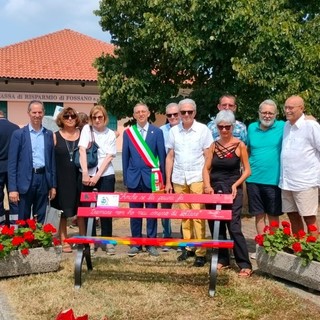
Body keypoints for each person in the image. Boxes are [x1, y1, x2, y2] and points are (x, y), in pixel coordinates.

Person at [203, 110, 252, 277]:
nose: (224, 130)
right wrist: (207, 185)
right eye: (220, 127)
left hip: (232, 190)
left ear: (232, 127)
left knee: (234, 226)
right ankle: (223, 259)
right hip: (215, 189)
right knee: (216, 225)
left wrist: (236, 184)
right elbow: (206, 168)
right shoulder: (213, 146)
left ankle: (244, 263)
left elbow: (247, 170)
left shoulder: (240, 145)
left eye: (227, 127)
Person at [165, 98, 213, 267]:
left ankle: (201, 252)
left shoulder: (203, 130)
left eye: (189, 112)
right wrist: (168, 181)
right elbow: (170, 157)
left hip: (197, 177)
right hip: (178, 178)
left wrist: (207, 180)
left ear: (195, 113)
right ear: (179, 114)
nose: (186, 115)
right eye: (182, 112)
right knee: (184, 216)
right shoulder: (173, 132)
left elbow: (208, 156)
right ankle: (188, 247)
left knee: (198, 215)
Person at [122, 102, 166, 257]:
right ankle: (136, 243)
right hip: (134, 178)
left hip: (151, 178)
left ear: (148, 114)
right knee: (135, 212)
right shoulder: (128, 133)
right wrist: (126, 179)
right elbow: (125, 158)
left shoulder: (157, 132)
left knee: (151, 211)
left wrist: (164, 180)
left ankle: (151, 243)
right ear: (134, 115)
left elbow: (162, 156)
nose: (140, 114)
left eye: (143, 111)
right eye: (137, 112)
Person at [8, 100, 56, 223]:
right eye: (34, 112)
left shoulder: (48, 134)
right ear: (28, 113)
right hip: (24, 181)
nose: (37, 115)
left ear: (44, 113)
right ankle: (23, 241)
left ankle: (38, 242)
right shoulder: (18, 134)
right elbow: (12, 164)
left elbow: (52, 161)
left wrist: (53, 185)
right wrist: (12, 188)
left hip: (43, 180)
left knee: (41, 216)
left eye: (40, 112)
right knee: (22, 218)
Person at [279, 95, 320, 238]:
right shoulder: (286, 126)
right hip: (287, 182)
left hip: (305, 182)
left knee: (309, 218)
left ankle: (314, 252)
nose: (287, 110)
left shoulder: (311, 126)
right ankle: (299, 248)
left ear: (301, 109)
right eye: (286, 107)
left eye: (291, 107)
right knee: (292, 215)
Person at [78, 105, 117, 254]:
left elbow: (109, 156)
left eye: (100, 117)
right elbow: (82, 150)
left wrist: (97, 176)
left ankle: (107, 241)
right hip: (87, 174)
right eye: (94, 117)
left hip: (106, 174)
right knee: (89, 210)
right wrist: (86, 174)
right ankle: (92, 241)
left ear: (105, 118)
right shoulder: (87, 130)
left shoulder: (110, 134)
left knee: (106, 210)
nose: (97, 120)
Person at [246, 100, 285, 236]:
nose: (267, 116)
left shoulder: (283, 126)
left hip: (273, 180)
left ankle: (273, 247)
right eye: (264, 112)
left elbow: (304, 120)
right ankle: (262, 246)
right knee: (259, 215)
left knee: (273, 215)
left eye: (270, 113)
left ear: (276, 114)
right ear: (259, 113)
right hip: (253, 179)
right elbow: (247, 149)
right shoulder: (251, 128)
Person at [51, 107, 81, 252]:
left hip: (79, 177)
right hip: (61, 179)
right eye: (67, 116)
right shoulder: (55, 136)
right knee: (62, 211)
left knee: (81, 210)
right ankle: (64, 240)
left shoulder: (83, 134)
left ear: (76, 119)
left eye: (73, 116)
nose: (70, 118)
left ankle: (83, 239)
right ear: (61, 119)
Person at [159, 102, 180, 249]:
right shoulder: (161, 131)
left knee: (185, 206)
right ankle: (167, 236)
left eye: (175, 114)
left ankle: (185, 239)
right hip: (164, 172)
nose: (172, 117)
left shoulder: (185, 129)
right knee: (165, 207)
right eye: (169, 115)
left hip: (182, 171)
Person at [0, 111, 19, 225]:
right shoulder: (15, 128)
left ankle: (1, 228)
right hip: (13, 168)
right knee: (14, 198)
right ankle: (15, 226)